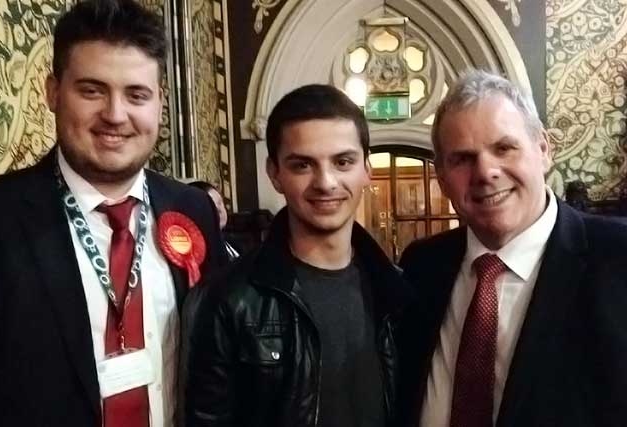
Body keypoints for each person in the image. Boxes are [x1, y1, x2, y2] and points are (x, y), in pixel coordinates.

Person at [0, 1, 228, 426]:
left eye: (137, 95)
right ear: (52, 92)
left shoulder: (192, 210)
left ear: (159, 104)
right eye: (92, 90)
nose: (116, 115)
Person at [396, 69, 627, 427]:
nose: (485, 171)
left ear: (543, 149)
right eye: (462, 158)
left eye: (504, 148)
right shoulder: (422, 266)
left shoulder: (616, 258)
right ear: (441, 178)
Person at [184, 84, 412, 427]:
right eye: (303, 165)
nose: (326, 182)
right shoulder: (227, 298)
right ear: (274, 173)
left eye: (343, 161)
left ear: (367, 169)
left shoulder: (397, 289)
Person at [189, 181, 240, 260]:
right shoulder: (197, 252)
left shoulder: (232, 242)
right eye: (212, 204)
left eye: (220, 202)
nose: (219, 209)